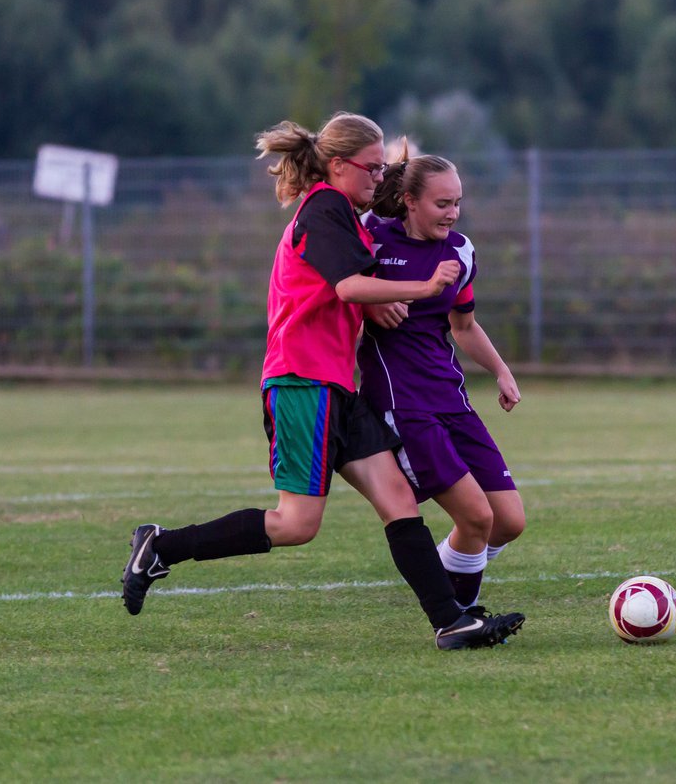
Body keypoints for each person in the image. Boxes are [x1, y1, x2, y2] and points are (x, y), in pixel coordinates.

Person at [121, 112, 525, 649]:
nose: (380, 179)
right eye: (373, 169)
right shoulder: (323, 209)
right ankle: (161, 546)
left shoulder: (348, 218)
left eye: (384, 169)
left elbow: (354, 291)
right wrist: (422, 289)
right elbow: (349, 287)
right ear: (338, 166)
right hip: (300, 384)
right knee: (297, 525)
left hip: (338, 389)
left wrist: (377, 305)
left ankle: (452, 622)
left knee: (399, 500)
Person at [357, 146, 527, 611]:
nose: (452, 213)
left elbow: (464, 326)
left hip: (451, 399)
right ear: (410, 200)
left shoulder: (461, 251)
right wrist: (370, 304)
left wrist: (501, 370)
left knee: (508, 520)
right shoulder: (372, 238)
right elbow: (335, 290)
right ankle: (460, 620)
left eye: (457, 203)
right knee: (475, 516)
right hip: (402, 403)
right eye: (441, 203)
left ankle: (443, 580)